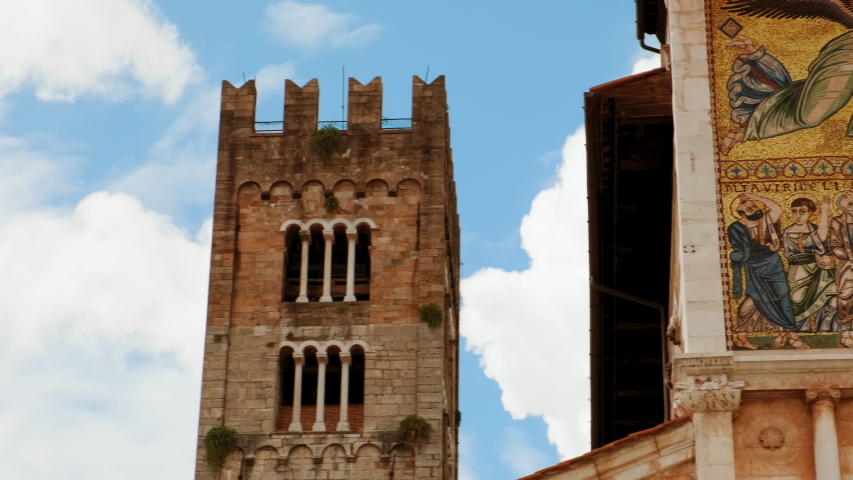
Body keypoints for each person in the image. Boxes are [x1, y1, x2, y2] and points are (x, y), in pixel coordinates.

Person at [729, 193, 806, 349]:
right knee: (753, 299)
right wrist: (739, 256)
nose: (754, 208)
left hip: (773, 264)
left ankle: (793, 337)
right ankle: (741, 337)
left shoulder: (765, 220)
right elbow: (738, 250)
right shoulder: (736, 227)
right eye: (749, 208)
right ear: (741, 212)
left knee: (783, 296)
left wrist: (756, 197)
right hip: (754, 267)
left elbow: (777, 209)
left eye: (755, 206)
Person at [721, 39, 792, 155]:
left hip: (772, 89)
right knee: (765, 75)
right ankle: (748, 45)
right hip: (772, 89)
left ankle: (748, 45)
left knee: (764, 73)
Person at [782, 197, 837, 332]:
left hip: (818, 271)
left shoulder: (816, 230)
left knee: (832, 294)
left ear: (810, 213)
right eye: (794, 212)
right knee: (796, 299)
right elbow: (787, 255)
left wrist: (824, 212)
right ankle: (801, 331)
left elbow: (823, 240)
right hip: (798, 273)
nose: (798, 215)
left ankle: (825, 329)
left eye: (802, 212)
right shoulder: (787, 232)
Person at [828, 193, 853, 347]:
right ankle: (845, 334)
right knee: (845, 296)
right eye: (850, 204)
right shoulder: (838, 222)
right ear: (843, 207)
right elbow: (835, 245)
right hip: (847, 264)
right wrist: (847, 256)